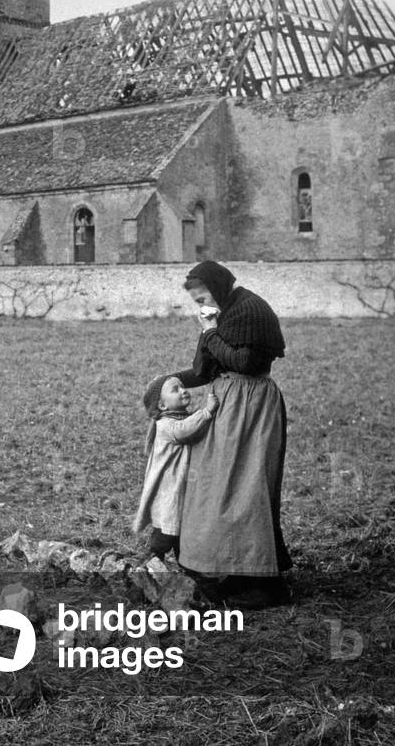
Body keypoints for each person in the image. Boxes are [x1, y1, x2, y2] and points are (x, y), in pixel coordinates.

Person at [174, 260, 292, 609]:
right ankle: (238, 569)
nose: (203, 306)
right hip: (227, 404)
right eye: (196, 302)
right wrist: (167, 379)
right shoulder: (220, 314)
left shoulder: (251, 309)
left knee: (248, 487)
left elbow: (247, 363)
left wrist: (210, 332)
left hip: (252, 405)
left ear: (220, 287)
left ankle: (267, 584)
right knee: (223, 485)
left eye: (204, 297)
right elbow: (203, 368)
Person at [133, 374, 219, 562]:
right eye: (175, 389)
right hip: (171, 485)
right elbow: (184, 430)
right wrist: (207, 412)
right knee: (168, 524)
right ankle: (154, 557)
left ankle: (185, 560)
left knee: (182, 524)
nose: (183, 390)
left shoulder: (180, 417)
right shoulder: (165, 424)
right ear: (162, 406)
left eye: (182, 386)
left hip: (183, 480)